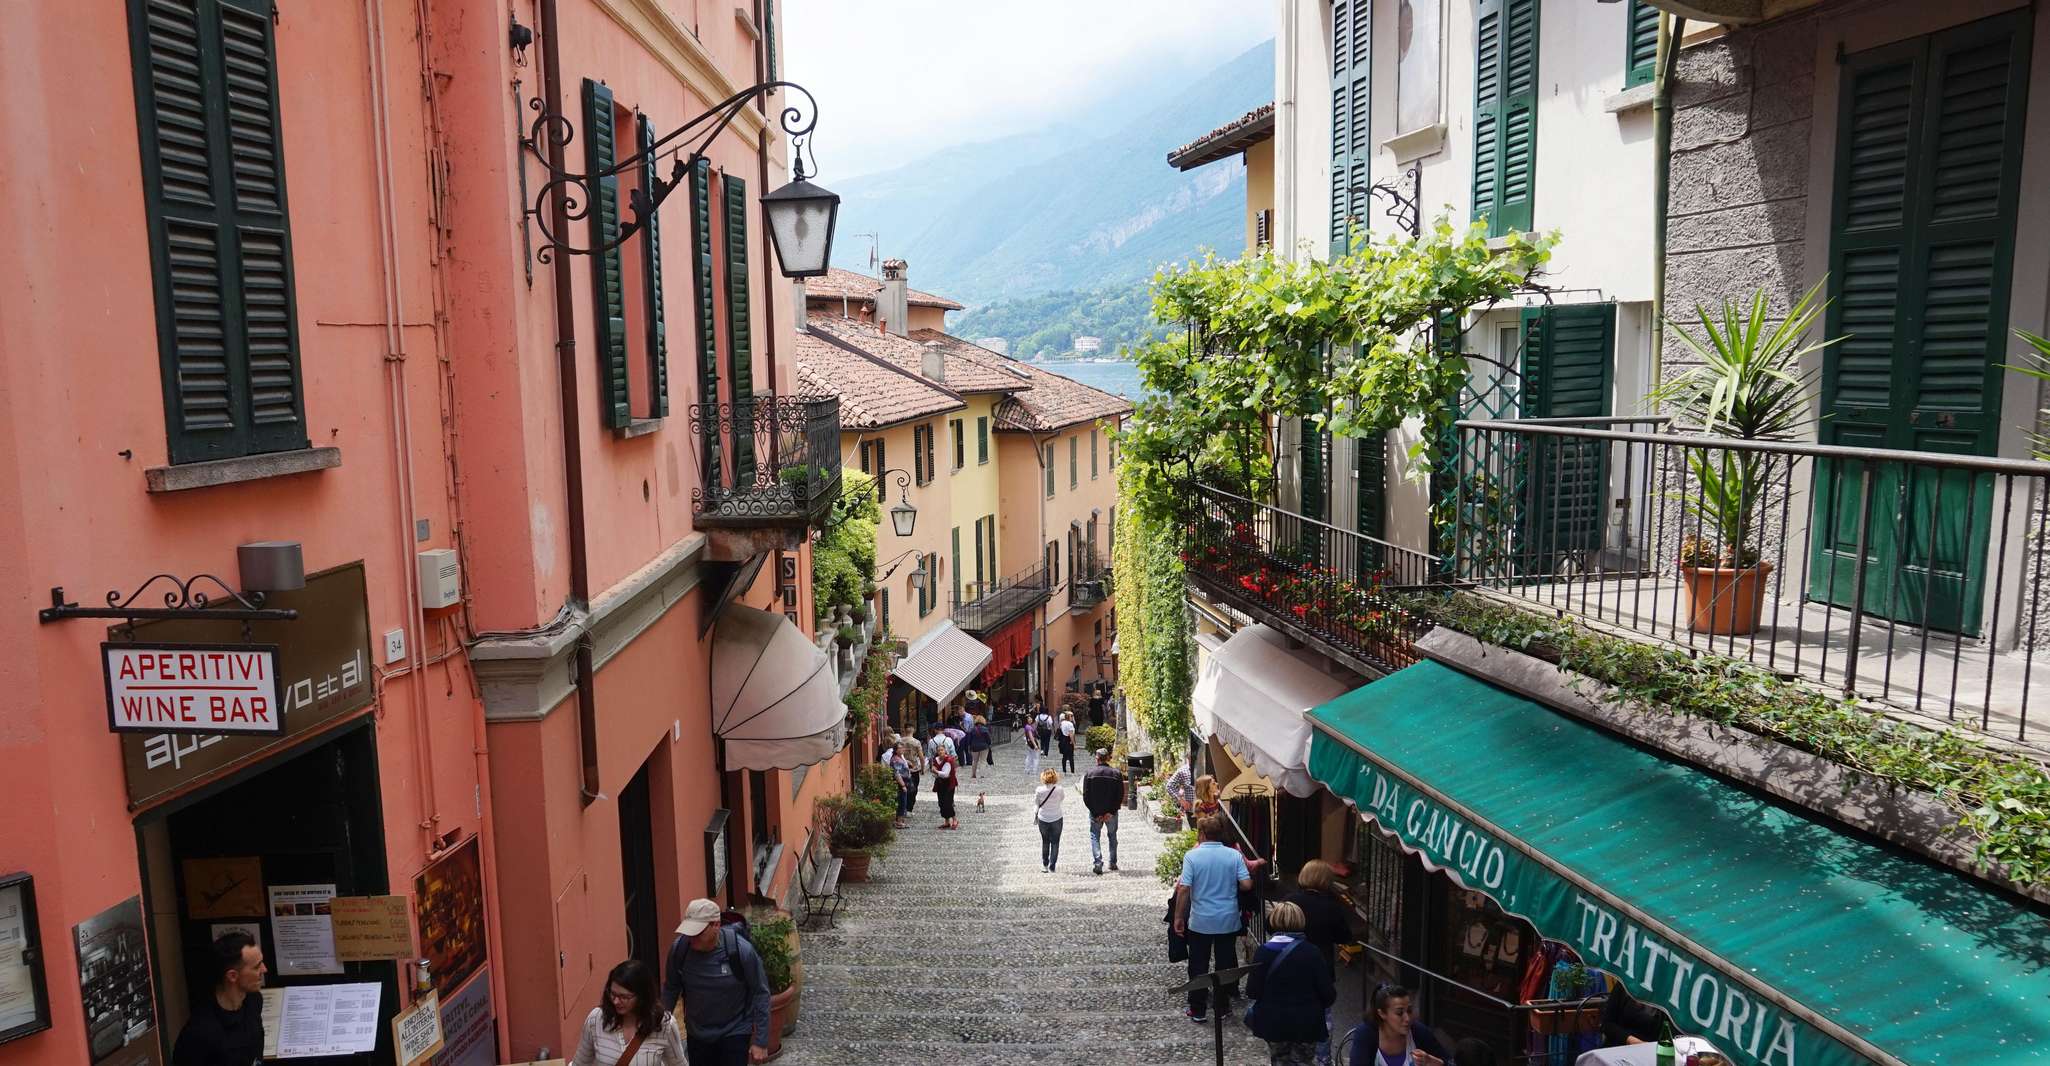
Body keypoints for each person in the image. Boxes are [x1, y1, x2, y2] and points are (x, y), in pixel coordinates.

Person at [661, 900, 771, 1065]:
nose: (692, 938)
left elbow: (761, 993)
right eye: (689, 932)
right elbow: (671, 988)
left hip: (735, 1031)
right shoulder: (680, 950)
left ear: (716, 925)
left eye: (698, 932)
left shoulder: (741, 951)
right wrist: (659, 1026)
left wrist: (760, 1041)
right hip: (697, 1034)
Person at [1175, 814, 1253, 1024]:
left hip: (1201, 920)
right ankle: (1222, 1006)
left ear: (1202, 834)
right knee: (1225, 964)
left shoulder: (1193, 857)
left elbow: (1184, 889)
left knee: (1198, 964)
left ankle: (1198, 1008)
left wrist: (1178, 916)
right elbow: (1247, 885)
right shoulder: (1233, 856)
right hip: (1227, 919)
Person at [1246, 901, 1336, 1066]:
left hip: (1275, 1023)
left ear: (1274, 920)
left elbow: (1252, 991)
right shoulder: (1312, 952)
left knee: (1279, 1061)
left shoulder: (1263, 952)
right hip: (1307, 1023)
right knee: (1303, 1061)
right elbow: (1328, 994)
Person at [1287, 860, 1354, 1066]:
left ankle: (1297, 1055)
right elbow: (1344, 936)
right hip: (1322, 967)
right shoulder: (1331, 907)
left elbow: (1274, 926)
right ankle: (1322, 1059)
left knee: (1294, 1010)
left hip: (1292, 965)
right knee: (1322, 1015)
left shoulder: (1291, 901)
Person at [171, 931, 267, 1066]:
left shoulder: (254, 1001)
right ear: (232, 976)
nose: (264, 969)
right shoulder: (199, 1033)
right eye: (257, 966)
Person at [576, 958, 689, 1065]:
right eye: (613, 994)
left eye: (624, 997)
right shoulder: (596, 1019)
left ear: (642, 996)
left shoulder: (664, 1024)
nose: (616, 1001)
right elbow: (580, 1063)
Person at [1346, 984, 1451, 1066]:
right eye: (1399, 1013)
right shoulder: (1366, 1034)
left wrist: (1436, 1063)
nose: (1407, 1018)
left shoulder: (1418, 1031)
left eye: (1409, 1010)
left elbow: (1450, 1062)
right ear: (1382, 1013)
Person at [1081, 747, 1125, 875]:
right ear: (1107, 758)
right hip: (1111, 813)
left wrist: (1095, 813)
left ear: (1097, 758)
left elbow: (1086, 796)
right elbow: (1120, 795)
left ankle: (1098, 862)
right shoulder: (1116, 774)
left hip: (1096, 813)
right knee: (1112, 836)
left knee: (1095, 836)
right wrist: (1111, 812)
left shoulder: (1089, 774)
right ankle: (1112, 862)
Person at [1032, 768, 1066, 872]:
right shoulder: (1059, 789)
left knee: (1045, 841)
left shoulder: (1039, 790)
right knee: (1055, 842)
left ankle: (1045, 864)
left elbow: (1036, 804)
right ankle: (1053, 864)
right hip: (1057, 817)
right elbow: (1062, 799)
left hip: (1043, 819)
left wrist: (1035, 814)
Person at [931, 744, 961, 829]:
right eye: (939, 750)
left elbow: (946, 774)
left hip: (949, 784)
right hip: (940, 783)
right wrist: (936, 773)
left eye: (942, 750)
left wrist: (936, 771)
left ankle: (954, 819)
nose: (940, 752)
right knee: (941, 803)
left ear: (945, 751)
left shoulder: (949, 760)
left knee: (948, 802)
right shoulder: (936, 760)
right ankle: (946, 821)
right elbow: (934, 773)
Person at [888, 742, 914, 828]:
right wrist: (902, 785)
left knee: (903, 801)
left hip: (905, 781)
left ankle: (899, 820)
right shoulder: (896, 760)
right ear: (895, 750)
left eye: (903, 748)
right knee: (902, 802)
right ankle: (899, 821)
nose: (902, 749)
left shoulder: (899, 758)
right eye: (900, 748)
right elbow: (897, 774)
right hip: (900, 783)